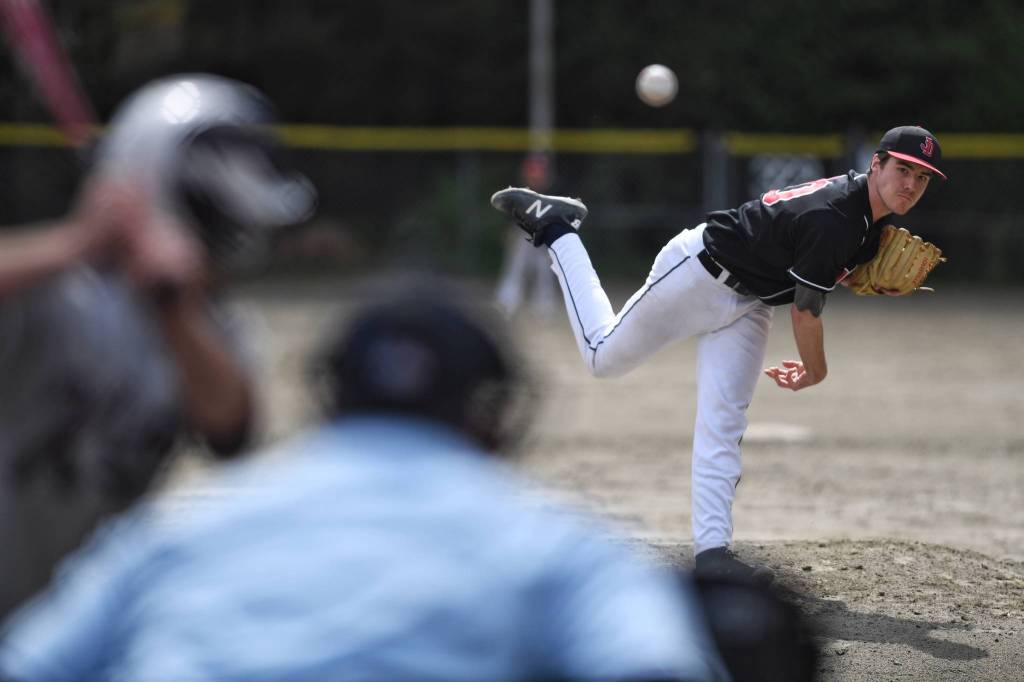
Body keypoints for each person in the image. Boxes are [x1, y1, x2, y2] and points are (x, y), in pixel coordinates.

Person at [0, 281, 729, 682]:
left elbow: (27, 664)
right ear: (495, 418)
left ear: (328, 396)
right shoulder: (560, 545)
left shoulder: (176, 533)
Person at [490, 125, 946, 584]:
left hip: (750, 303)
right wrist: (815, 370)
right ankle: (557, 228)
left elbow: (813, 256)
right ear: (877, 164)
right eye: (903, 169)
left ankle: (712, 553)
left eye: (921, 178)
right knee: (602, 356)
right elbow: (806, 310)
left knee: (724, 422)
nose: (910, 184)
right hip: (700, 272)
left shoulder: (866, 221)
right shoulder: (838, 217)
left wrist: (858, 278)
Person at [0, 73, 316, 619]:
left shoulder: (208, 323)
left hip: (63, 620)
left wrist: (174, 304)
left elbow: (231, 433)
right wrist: (72, 243)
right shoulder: (54, 296)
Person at [494, 152, 561, 318]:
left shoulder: (553, 193)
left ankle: (544, 306)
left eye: (539, 173)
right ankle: (507, 300)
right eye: (533, 173)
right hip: (524, 239)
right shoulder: (518, 192)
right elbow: (511, 220)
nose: (536, 177)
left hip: (545, 239)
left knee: (545, 267)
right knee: (516, 261)